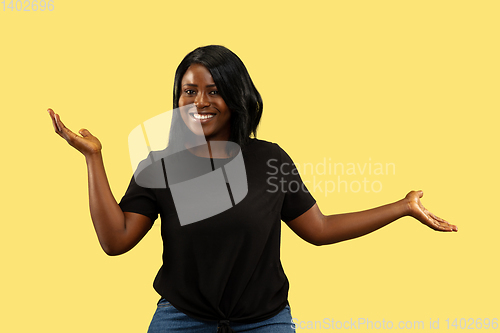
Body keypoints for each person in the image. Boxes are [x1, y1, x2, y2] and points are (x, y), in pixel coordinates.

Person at [47, 45, 458, 333]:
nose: (199, 101)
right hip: (181, 320)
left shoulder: (269, 158)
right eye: (189, 91)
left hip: (266, 321)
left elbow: (319, 228)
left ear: (235, 95)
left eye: (213, 90)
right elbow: (115, 241)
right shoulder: (161, 165)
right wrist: (93, 158)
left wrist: (402, 207)